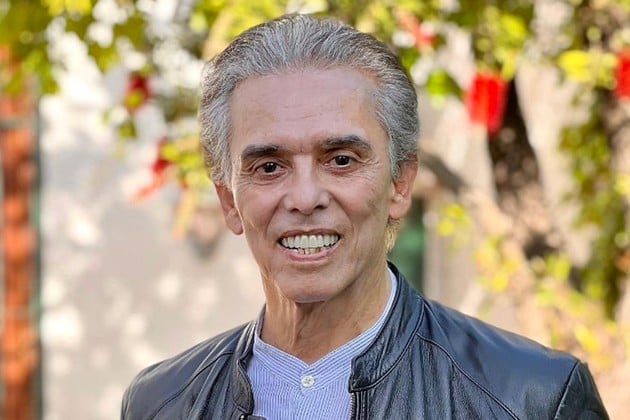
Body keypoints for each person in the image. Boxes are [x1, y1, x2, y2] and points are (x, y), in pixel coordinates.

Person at [121, 13, 608, 419]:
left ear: (400, 183)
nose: (305, 198)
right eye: (269, 167)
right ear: (229, 200)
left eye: (341, 160)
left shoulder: (532, 398)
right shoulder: (161, 403)